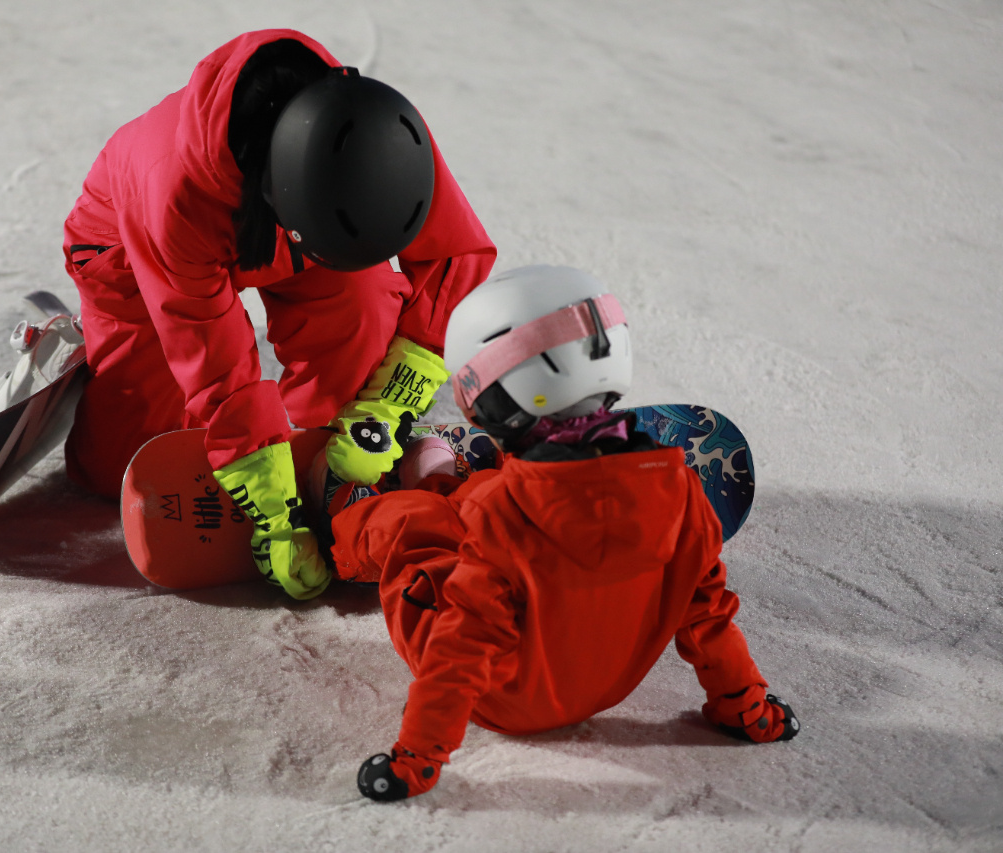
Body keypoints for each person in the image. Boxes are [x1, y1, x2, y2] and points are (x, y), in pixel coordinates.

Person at [318, 265, 800, 802]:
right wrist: (748, 709)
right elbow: (708, 617)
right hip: (608, 685)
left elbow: (460, 651)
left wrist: (416, 761)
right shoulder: (684, 491)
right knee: (499, 507)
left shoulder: (499, 513)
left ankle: (353, 514)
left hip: (504, 699)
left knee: (417, 525)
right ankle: (513, 467)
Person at [60, 30, 496, 600]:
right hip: (131, 252)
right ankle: (90, 355)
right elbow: (214, 357)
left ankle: (331, 467)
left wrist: (384, 407)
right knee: (121, 465)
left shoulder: (372, 131)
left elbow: (453, 253)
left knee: (362, 305)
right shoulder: (173, 191)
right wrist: (269, 505)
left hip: (299, 230)